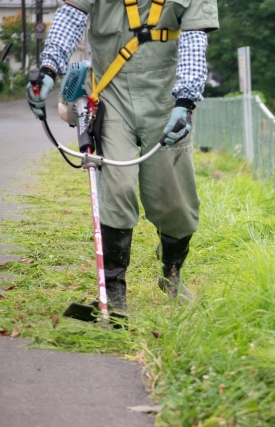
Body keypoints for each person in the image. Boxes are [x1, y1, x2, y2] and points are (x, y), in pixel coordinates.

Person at [26, 0, 219, 310]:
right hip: (110, 95)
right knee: (117, 186)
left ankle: (172, 274)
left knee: (175, 201)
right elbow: (70, 18)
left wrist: (185, 101)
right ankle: (114, 294)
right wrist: (48, 69)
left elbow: (195, 41)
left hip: (167, 101)